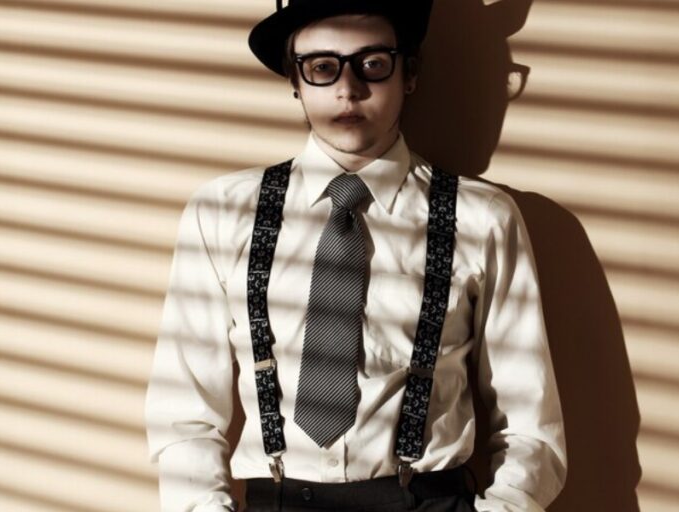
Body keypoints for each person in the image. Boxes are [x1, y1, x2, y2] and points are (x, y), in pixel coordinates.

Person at [145, 1, 565, 510]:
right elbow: (185, 412)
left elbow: (529, 424)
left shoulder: (484, 219)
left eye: (372, 64)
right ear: (294, 80)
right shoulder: (222, 212)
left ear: (409, 73)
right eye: (322, 67)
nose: (348, 89)